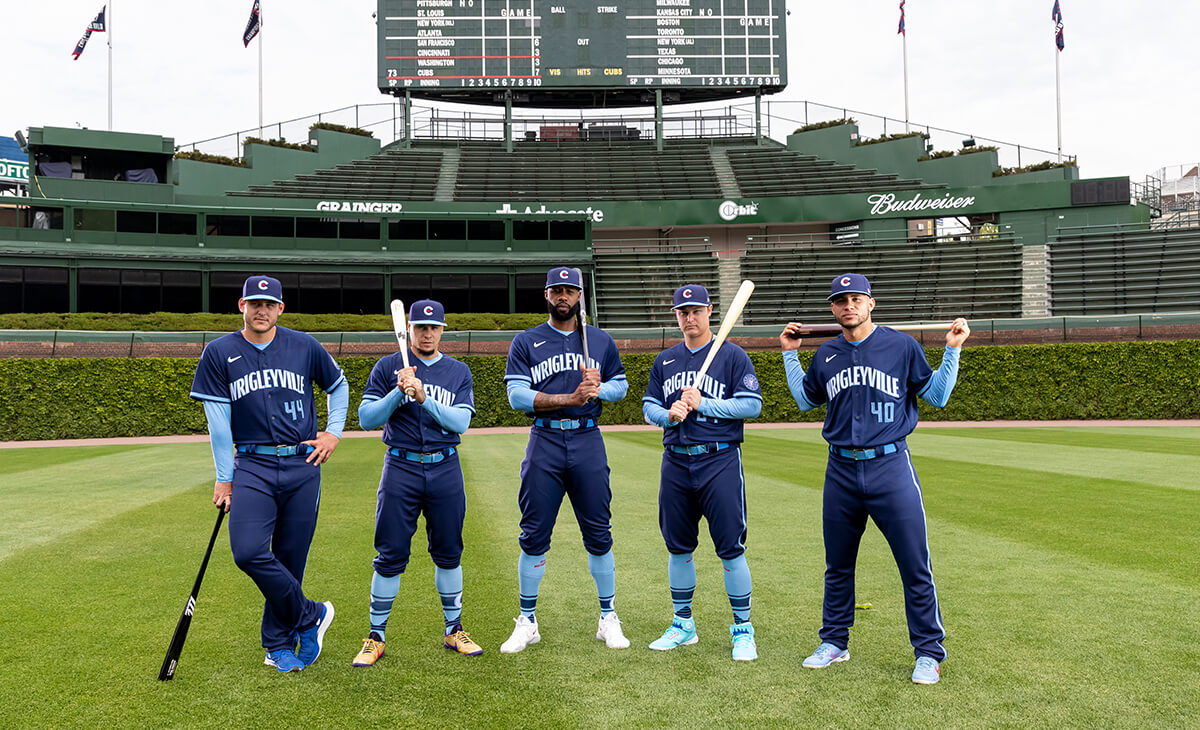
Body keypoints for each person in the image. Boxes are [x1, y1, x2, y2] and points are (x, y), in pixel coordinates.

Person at [780, 273, 970, 685]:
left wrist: (952, 350)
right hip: (841, 470)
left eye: (856, 298)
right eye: (840, 300)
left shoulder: (900, 345)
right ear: (832, 309)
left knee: (914, 564)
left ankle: (928, 653)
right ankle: (834, 641)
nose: (848, 305)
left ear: (871, 303)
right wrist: (790, 355)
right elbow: (803, 399)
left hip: (890, 467)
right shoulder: (826, 354)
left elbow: (936, 396)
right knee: (838, 565)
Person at [189, 274, 347, 673]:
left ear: (280, 308)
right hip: (253, 465)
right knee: (248, 551)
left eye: (269, 304)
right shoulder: (219, 352)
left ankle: (277, 644)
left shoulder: (304, 345)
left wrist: (333, 433)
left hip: (302, 463)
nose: (262, 310)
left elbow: (339, 386)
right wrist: (224, 477)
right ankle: (310, 614)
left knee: (290, 558)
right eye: (254, 303)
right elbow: (218, 423)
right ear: (241, 305)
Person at [500, 266, 631, 653]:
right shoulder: (526, 341)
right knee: (534, 533)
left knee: (598, 531)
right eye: (556, 290)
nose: (563, 296)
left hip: (587, 439)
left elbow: (621, 387)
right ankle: (528, 620)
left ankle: (607, 617)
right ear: (546, 295)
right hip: (545, 440)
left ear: (579, 297)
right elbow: (516, 397)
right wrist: (568, 398)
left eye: (570, 290)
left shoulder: (600, 341)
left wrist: (600, 388)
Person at [351, 299, 482, 666]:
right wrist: (398, 392)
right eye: (420, 327)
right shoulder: (387, 366)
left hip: (445, 467)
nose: (427, 333)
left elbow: (460, 423)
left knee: (448, 551)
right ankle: (376, 636)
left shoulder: (458, 371)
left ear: (442, 330)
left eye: (433, 327)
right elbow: (365, 418)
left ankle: (453, 629)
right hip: (401, 468)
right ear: (409, 329)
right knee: (390, 554)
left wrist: (422, 398)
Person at [641, 284, 764, 661]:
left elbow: (751, 405)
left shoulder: (732, 356)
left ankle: (742, 629)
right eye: (682, 311)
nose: (689, 317)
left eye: (695, 310)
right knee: (678, 547)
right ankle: (683, 625)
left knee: (731, 548)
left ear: (710, 311)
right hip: (676, 460)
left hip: (719, 460)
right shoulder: (665, 360)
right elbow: (649, 407)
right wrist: (669, 414)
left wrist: (704, 404)